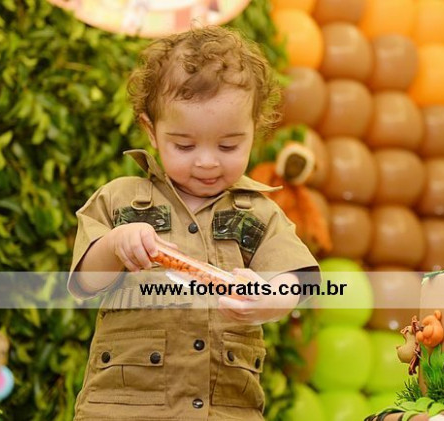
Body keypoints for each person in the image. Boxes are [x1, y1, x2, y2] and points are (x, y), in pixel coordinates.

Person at [68, 25, 320, 421]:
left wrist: (270, 299)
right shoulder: (120, 199)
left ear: (255, 130)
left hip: (224, 410)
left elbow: (298, 279)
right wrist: (116, 245)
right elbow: (85, 281)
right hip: (124, 410)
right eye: (184, 145)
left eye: (228, 145)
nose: (206, 162)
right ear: (151, 131)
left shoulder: (257, 213)